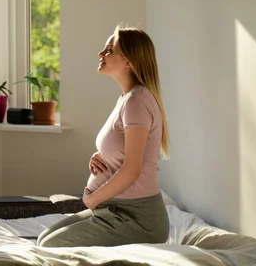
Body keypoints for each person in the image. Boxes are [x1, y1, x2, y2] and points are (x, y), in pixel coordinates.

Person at [38, 26, 170, 247]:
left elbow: (132, 169)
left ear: (128, 60)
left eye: (109, 49)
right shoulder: (127, 98)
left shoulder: (138, 100)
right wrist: (102, 157)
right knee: (44, 239)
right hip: (113, 209)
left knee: (50, 246)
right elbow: (126, 152)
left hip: (136, 219)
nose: (101, 54)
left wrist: (92, 199)